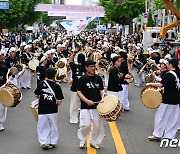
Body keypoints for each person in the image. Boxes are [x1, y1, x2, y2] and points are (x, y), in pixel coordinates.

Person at [147, 58, 180, 141]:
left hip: (167, 99)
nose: (167, 65)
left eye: (168, 64)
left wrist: (150, 83)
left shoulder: (169, 74)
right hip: (177, 99)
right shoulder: (179, 73)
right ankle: (169, 135)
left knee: (160, 116)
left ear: (171, 65)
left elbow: (161, 84)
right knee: (173, 118)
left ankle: (157, 134)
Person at [77, 59, 104, 149]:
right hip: (85, 106)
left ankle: (94, 141)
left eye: (94, 66)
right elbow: (79, 92)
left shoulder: (98, 78)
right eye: (91, 67)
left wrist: (104, 100)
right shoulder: (82, 79)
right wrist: (86, 100)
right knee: (86, 124)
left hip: (97, 106)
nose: (93, 68)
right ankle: (83, 139)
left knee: (97, 125)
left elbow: (101, 91)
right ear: (86, 68)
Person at [34, 68, 64, 150]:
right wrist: (56, 105)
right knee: (53, 125)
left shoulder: (41, 84)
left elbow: (36, 94)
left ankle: (44, 142)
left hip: (42, 108)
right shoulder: (57, 86)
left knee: (42, 125)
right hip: (52, 109)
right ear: (55, 75)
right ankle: (53, 141)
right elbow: (59, 100)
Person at [69, 51, 86, 124]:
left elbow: (70, 61)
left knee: (74, 104)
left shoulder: (74, 66)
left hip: (75, 88)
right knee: (84, 104)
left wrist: (73, 53)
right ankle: (84, 119)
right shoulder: (86, 68)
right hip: (84, 89)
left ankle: (73, 118)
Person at [0, 49, 8, 131]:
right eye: (2, 54)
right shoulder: (4, 67)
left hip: (2, 88)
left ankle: (0, 123)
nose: (3, 56)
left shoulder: (4, 66)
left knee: (2, 107)